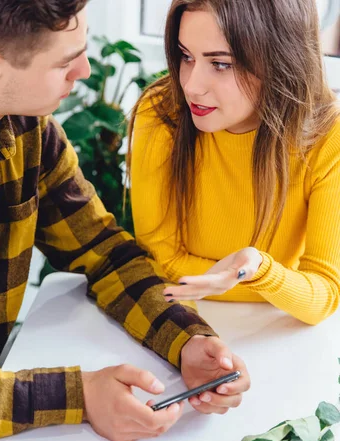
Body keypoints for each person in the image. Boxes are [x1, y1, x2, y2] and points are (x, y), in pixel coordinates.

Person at [0, 0, 250, 441]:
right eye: (66, 62)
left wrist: (188, 340)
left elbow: (104, 252)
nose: (84, 71)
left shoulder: (29, 134)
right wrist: (78, 397)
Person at [128, 0, 340, 326]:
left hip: (275, 333)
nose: (192, 86)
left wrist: (259, 270)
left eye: (221, 64)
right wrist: (271, 282)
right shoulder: (160, 112)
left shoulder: (329, 136)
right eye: (186, 56)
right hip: (184, 321)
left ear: (281, 60)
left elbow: (325, 294)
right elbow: (162, 259)